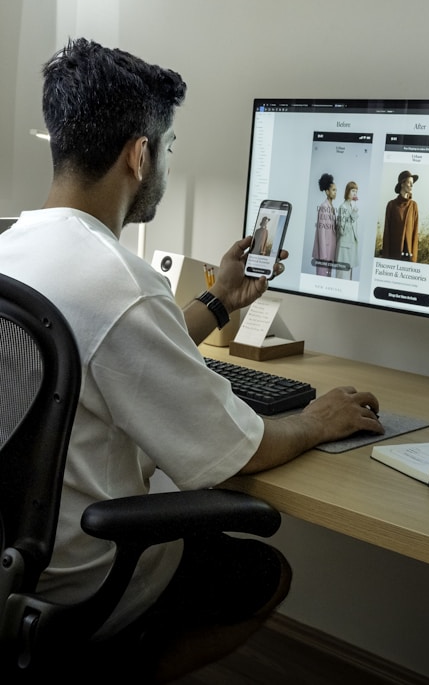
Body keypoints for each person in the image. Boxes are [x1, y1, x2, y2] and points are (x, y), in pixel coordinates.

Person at [0, 39, 383, 680]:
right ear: (140, 156)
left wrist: (219, 301)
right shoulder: (121, 284)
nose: (168, 163)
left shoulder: (14, 248)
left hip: (16, 563)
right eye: (169, 147)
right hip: (80, 577)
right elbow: (237, 450)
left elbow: (108, 348)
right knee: (260, 571)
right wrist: (319, 418)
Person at [382, 170, 419, 262]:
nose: (411, 185)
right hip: (393, 254)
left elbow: (415, 233)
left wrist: (414, 258)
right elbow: (387, 232)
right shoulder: (391, 205)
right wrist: (385, 257)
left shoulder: (414, 205)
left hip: (408, 255)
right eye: (409, 182)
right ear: (402, 184)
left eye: (412, 183)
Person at [312, 172, 337, 276]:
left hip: (330, 252)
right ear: (327, 192)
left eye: (336, 190)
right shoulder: (324, 206)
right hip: (324, 253)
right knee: (321, 278)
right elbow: (321, 232)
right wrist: (323, 255)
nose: (335, 192)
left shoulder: (331, 207)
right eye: (333, 190)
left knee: (327, 279)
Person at [335, 181, 359, 280]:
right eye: (353, 190)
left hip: (350, 249)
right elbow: (342, 231)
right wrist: (353, 214)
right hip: (344, 250)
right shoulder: (342, 207)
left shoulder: (350, 207)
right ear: (347, 191)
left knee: (348, 281)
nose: (355, 193)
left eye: (356, 191)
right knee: (342, 280)